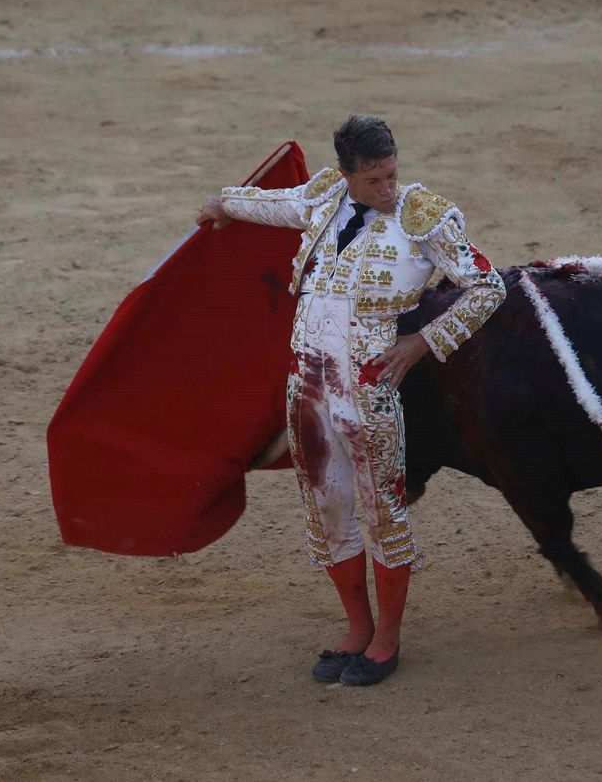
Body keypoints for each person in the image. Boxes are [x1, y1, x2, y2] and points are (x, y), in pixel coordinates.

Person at [196, 115, 506, 685]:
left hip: (369, 393)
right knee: (329, 511)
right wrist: (223, 204)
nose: (387, 189)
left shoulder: (424, 216)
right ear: (347, 175)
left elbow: (488, 286)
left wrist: (424, 341)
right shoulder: (323, 198)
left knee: (383, 511)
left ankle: (386, 642)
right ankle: (356, 630)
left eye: (391, 175)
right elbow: (276, 203)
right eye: (373, 180)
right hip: (307, 388)